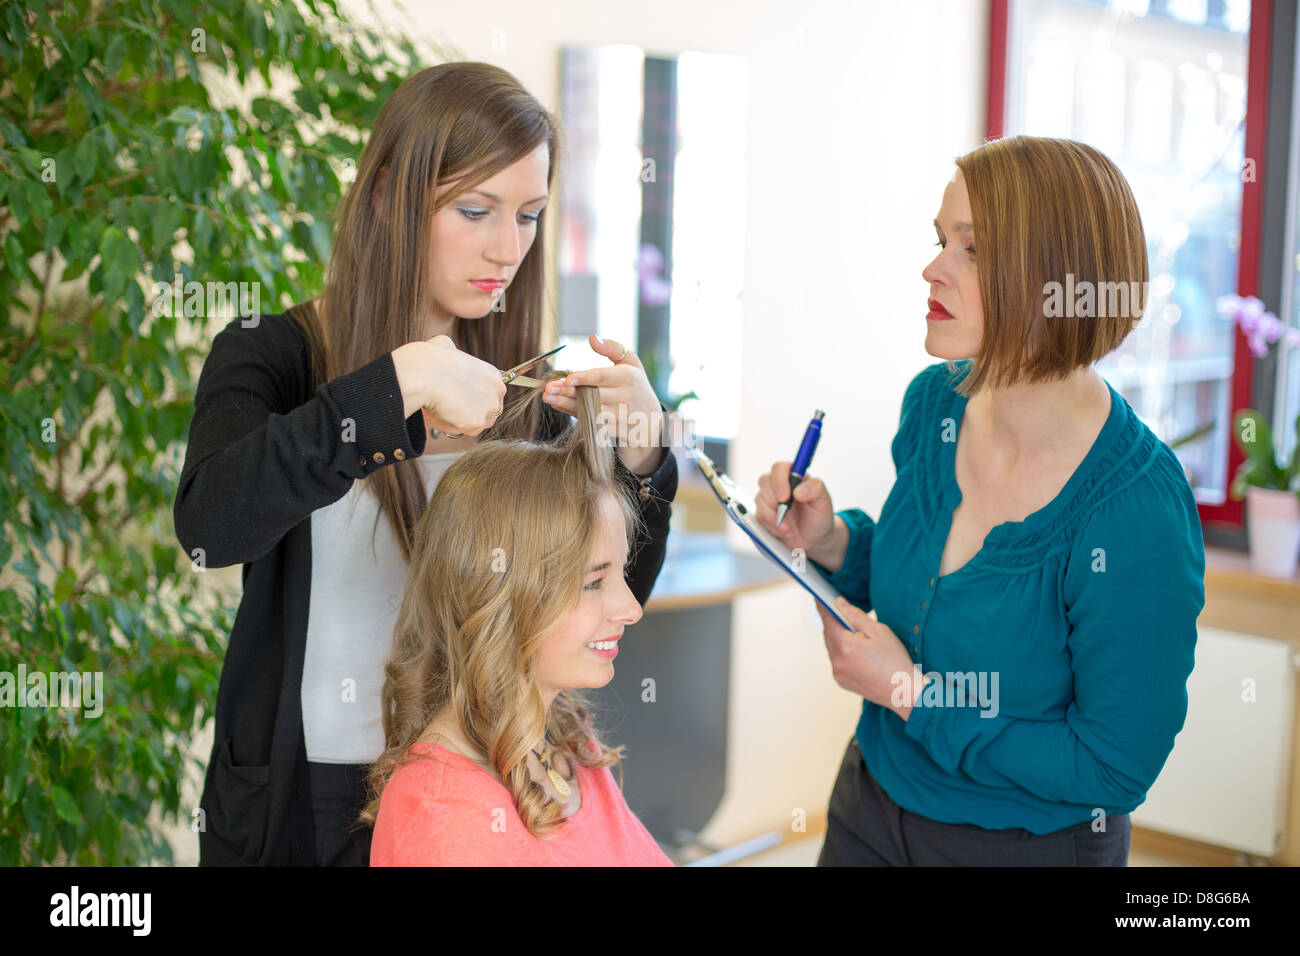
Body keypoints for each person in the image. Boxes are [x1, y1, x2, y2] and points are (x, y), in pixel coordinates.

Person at [172, 62, 677, 866]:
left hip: (479, 792)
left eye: (530, 215)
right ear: (387, 197)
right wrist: (396, 383)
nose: (507, 247)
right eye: (475, 210)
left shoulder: (532, 388)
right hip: (304, 799)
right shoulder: (272, 356)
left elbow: (600, 600)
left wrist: (647, 456)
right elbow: (211, 525)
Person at [754, 136, 1205, 866]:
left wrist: (910, 693)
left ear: (1059, 281)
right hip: (870, 804)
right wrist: (832, 540)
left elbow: (1114, 767)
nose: (932, 269)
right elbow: (920, 590)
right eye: (940, 241)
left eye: (974, 250)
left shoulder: (1135, 511)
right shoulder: (936, 403)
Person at [366, 383, 675, 866]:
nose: (631, 609)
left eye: (620, 570)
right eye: (593, 583)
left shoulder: (566, 740)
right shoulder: (441, 816)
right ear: (500, 596)